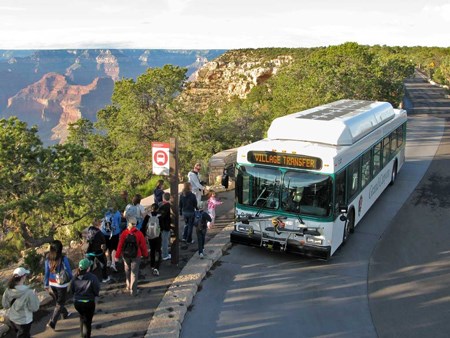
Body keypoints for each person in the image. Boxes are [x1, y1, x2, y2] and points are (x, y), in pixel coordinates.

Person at [2, 267, 40, 338]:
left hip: (12, 319)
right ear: (23, 277)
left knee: (21, 334)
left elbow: (5, 305)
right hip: (24, 321)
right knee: (23, 334)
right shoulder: (29, 292)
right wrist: (35, 297)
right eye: (25, 275)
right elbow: (34, 308)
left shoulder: (8, 290)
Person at [44, 239, 73, 331]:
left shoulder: (48, 259)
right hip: (62, 284)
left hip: (52, 283)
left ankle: (65, 313)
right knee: (60, 302)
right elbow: (68, 270)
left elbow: (46, 272)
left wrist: (46, 284)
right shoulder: (63, 258)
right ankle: (52, 322)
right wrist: (71, 279)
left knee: (59, 300)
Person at [115, 217, 148, 296]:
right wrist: (145, 255)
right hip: (136, 255)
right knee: (134, 273)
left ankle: (128, 285)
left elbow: (120, 245)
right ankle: (133, 291)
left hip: (126, 255)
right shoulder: (139, 233)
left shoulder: (124, 233)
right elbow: (143, 246)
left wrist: (117, 256)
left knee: (127, 270)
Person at [71, 258, 100, 338]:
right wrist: (95, 295)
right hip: (89, 303)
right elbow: (96, 289)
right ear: (88, 268)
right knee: (88, 322)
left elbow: (72, 290)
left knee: (82, 317)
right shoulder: (92, 277)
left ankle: (82, 335)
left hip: (77, 303)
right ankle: (86, 336)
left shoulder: (75, 277)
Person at [142, 203, 162, 276]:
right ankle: (157, 267)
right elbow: (162, 226)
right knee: (158, 250)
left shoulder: (148, 216)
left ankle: (152, 265)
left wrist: (144, 235)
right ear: (157, 209)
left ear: (151, 209)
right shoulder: (160, 216)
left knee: (152, 250)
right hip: (157, 236)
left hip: (150, 236)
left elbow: (143, 225)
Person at [100, 207, 122, 272]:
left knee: (107, 247)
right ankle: (113, 263)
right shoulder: (117, 213)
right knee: (114, 248)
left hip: (104, 233)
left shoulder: (104, 212)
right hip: (115, 233)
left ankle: (108, 261)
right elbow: (119, 223)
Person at [159, 192, 172, 260]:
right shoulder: (168, 206)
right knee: (165, 241)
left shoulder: (160, 204)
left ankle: (163, 250)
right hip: (165, 226)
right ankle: (165, 255)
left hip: (160, 226)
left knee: (163, 239)